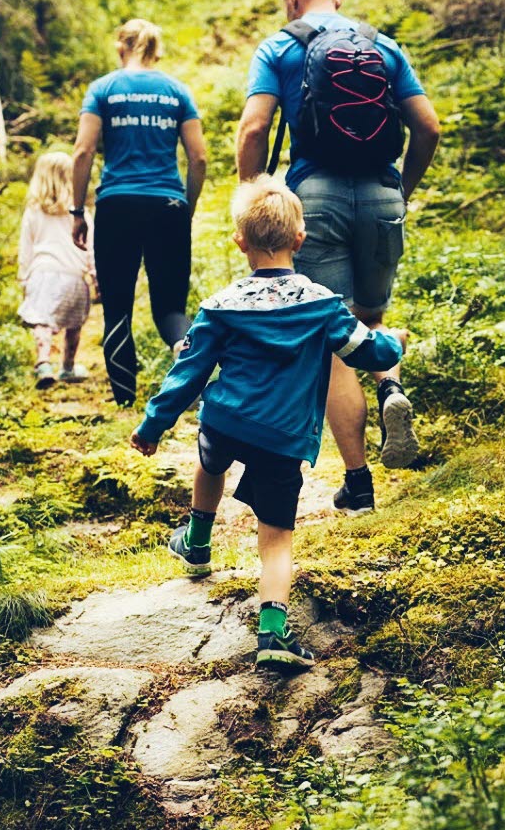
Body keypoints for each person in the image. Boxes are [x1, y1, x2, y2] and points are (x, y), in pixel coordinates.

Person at [129, 175, 405, 671]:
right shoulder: (322, 304)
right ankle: (273, 633)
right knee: (276, 538)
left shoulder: (221, 305)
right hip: (281, 436)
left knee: (209, 458)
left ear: (240, 242)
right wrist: (395, 344)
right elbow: (368, 351)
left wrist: (152, 426)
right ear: (300, 239)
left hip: (226, 419)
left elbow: (187, 372)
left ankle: (197, 541)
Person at [236, 0, 440, 514]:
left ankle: (359, 484)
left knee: (334, 339)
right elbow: (428, 126)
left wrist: (253, 200)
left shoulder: (280, 47)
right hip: (381, 196)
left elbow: (254, 128)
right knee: (371, 318)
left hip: (316, 199)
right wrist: (401, 190)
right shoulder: (384, 46)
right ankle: (392, 387)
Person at [72, 18, 209, 407]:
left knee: (117, 308)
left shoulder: (103, 89)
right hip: (167, 204)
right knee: (170, 308)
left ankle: (124, 402)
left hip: (116, 205)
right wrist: (185, 208)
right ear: (155, 51)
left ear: (121, 48)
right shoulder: (177, 91)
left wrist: (77, 210)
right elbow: (198, 158)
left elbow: (83, 152)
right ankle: (186, 363)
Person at [19, 150, 94, 388]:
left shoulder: (33, 211)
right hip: (74, 277)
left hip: (42, 275)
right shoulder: (82, 214)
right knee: (74, 325)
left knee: (43, 322)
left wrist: (23, 278)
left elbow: (25, 249)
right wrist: (95, 276)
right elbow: (91, 248)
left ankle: (43, 363)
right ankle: (68, 367)